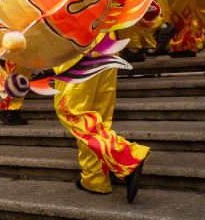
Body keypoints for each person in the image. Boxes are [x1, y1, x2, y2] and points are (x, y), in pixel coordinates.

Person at [56, 33, 148, 203]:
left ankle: (126, 156)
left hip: (75, 40)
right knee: (97, 117)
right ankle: (95, 179)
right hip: (106, 39)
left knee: (71, 112)